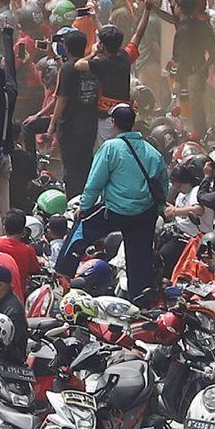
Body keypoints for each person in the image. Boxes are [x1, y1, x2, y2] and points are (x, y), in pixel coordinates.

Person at [77, 105, 169, 298]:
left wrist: (84, 208)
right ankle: (139, 302)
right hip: (144, 214)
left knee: (78, 233)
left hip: (115, 213)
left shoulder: (110, 148)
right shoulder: (152, 152)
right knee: (140, 260)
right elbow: (162, 184)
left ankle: (63, 275)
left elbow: (94, 183)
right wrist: (158, 208)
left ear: (112, 123)